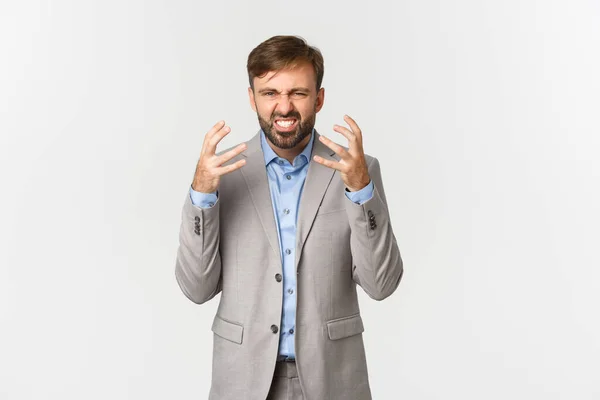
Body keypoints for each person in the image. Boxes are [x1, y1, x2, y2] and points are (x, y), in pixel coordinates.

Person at [175, 35, 403, 400]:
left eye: (298, 93)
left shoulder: (357, 170)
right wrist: (202, 193)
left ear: (319, 98)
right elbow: (196, 288)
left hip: (334, 379)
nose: (284, 107)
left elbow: (382, 284)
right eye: (270, 93)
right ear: (252, 99)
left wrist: (361, 190)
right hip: (242, 380)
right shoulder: (222, 173)